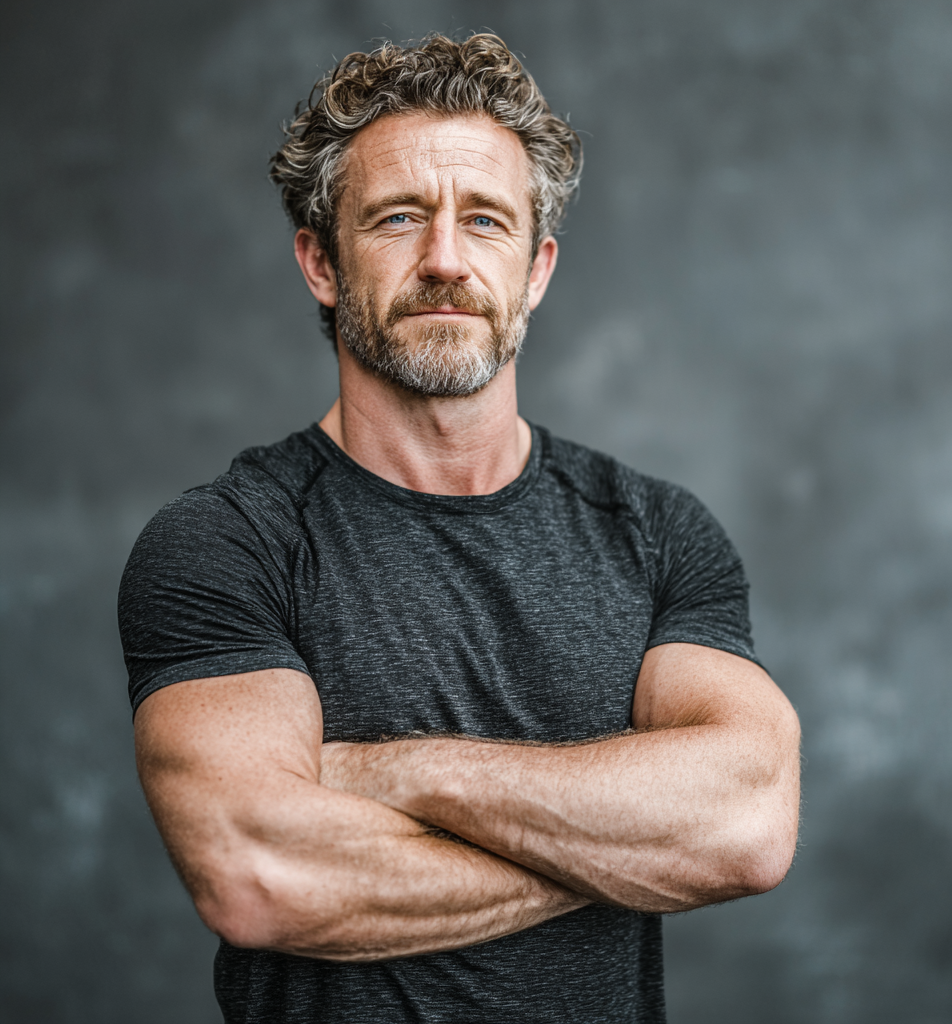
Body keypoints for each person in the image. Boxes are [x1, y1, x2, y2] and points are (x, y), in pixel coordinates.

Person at [119, 33, 801, 1024]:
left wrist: (386, 770)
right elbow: (259, 874)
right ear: (319, 260)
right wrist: (623, 847)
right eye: (398, 217)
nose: (445, 259)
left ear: (535, 269)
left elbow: (745, 824)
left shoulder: (655, 533)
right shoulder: (227, 544)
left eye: (484, 221)